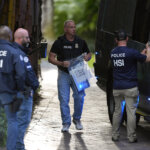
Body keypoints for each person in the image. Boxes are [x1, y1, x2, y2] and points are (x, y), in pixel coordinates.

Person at [48, 20, 91, 132]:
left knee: (80, 97)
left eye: (74, 27)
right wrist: (61, 63)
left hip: (79, 73)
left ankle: (77, 119)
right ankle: (66, 123)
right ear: (65, 29)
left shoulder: (81, 41)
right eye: (71, 27)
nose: (74, 29)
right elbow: (51, 58)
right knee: (63, 99)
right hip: (64, 74)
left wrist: (88, 57)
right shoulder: (59, 42)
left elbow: (89, 53)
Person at [110, 29, 150, 143]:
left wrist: (140, 54)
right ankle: (131, 137)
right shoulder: (131, 52)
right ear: (127, 39)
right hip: (130, 87)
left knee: (117, 111)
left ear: (116, 40)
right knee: (131, 112)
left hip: (117, 87)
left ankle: (115, 135)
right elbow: (148, 59)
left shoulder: (113, 52)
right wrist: (148, 49)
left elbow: (129, 59)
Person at [13, 28, 39, 150]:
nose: (28, 40)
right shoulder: (20, 54)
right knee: (21, 123)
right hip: (23, 94)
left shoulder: (9, 51)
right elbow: (27, 75)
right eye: (27, 38)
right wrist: (35, 85)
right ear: (20, 39)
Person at [0, 25, 25, 150]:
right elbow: (20, 74)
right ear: (10, 37)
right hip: (8, 92)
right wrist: (20, 90)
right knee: (12, 120)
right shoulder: (13, 52)